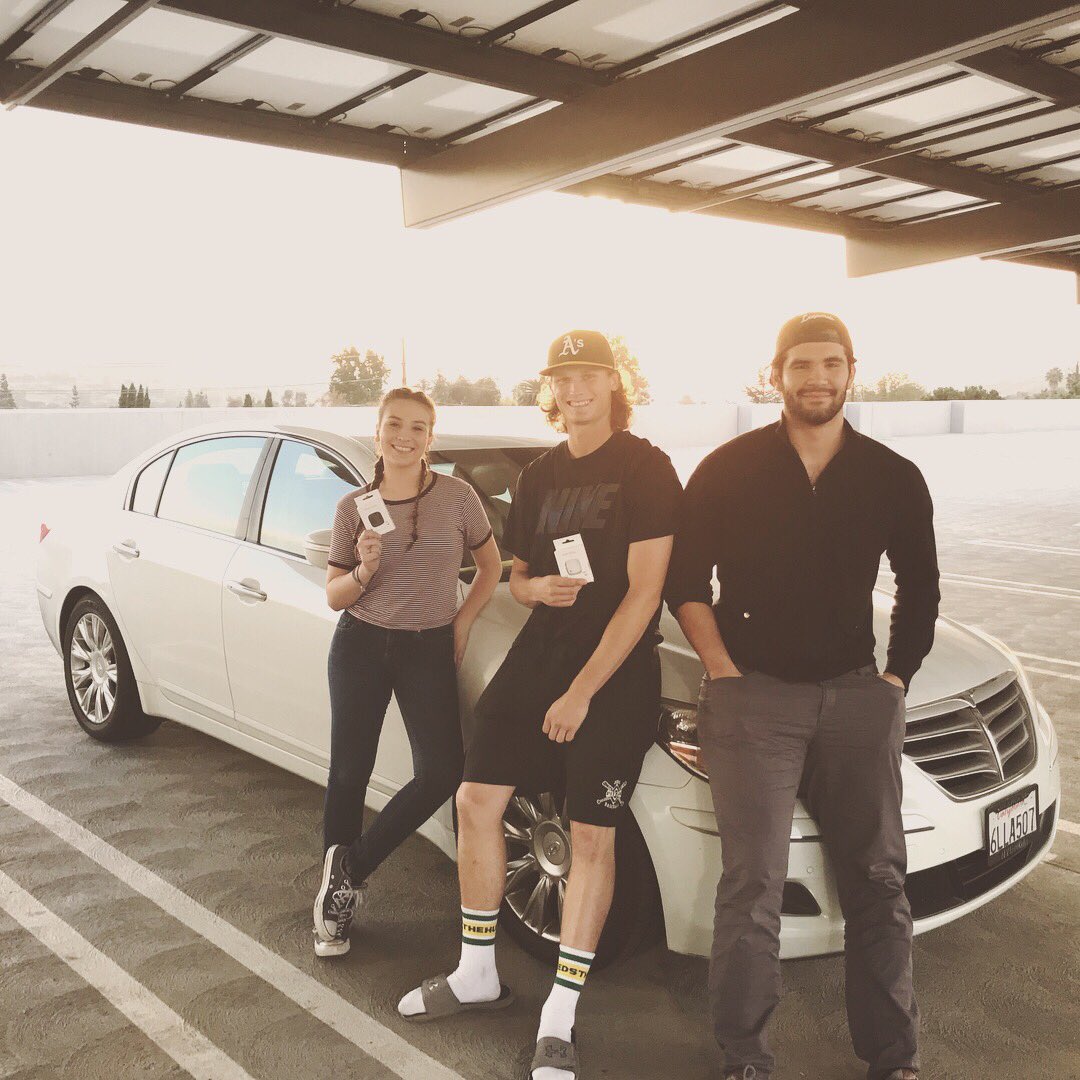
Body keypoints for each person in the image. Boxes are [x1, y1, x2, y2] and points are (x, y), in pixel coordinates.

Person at [397, 331, 682, 1080]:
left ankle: (560, 1016)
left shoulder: (648, 468)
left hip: (614, 670)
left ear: (613, 383)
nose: (576, 390)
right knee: (474, 801)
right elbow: (517, 574)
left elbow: (647, 592)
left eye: (590, 376)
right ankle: (477, 973)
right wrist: (534, 591)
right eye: (564, 379)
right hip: (540, 650)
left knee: (591, 838)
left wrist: (583, 692)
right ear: (552, 389)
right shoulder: (542, 475)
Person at [665, 312, 939, 1080]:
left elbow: (920, 585)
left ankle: (894, 1058)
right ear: (774, 375)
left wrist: (894, 680)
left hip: (858, 698)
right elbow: (685, 580)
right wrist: (721, 670)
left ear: (852, 371)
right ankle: (745, 1057)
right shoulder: (728, 468)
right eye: (800, 365)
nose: (816, 378)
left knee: (879, 882)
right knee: (752, 884)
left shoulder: (891, 475)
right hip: (754, 703)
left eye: (830, 363)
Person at [314, 387, 502, 958]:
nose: (405, 436)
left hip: (428, 647)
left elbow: (491, 566)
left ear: (430, 438)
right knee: (350, 772)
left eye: (418, 427)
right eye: (395, 424)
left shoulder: (458, 496)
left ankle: (351, 868)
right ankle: (336, 909)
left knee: (442, 771)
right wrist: (365, 570)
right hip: (362, 645)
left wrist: (463, 623)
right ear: (378, 431)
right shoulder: (353, 507)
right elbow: (333, 595)